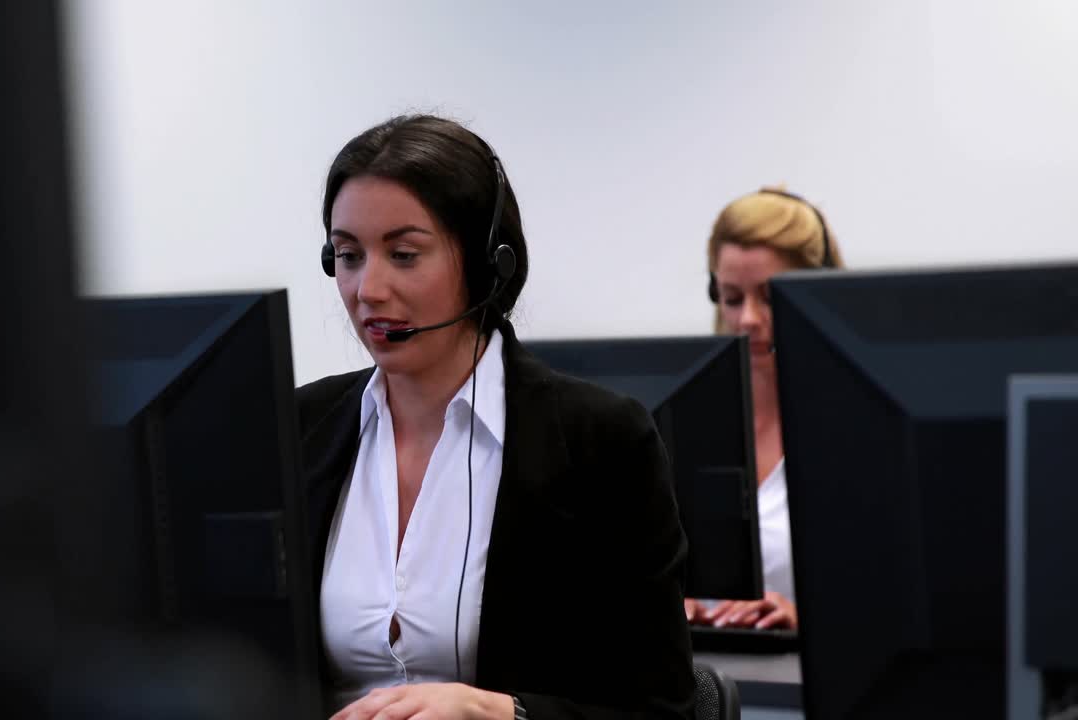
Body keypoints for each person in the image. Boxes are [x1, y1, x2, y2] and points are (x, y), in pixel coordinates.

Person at [297, 115, 694, 719]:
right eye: (348, 256)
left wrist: (502, 714)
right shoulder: (299, 429)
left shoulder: (599, 441)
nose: (367, 289)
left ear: (489, 265)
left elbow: (661, 713)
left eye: (404, 255)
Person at [683, 187, 845, 631]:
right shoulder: (688, 426)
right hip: (705, 688)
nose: (749, 319)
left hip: (809, 687)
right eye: (733, 299)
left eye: (770, 298)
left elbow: (895, 596)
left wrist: (807, 620)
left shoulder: (852, 430)